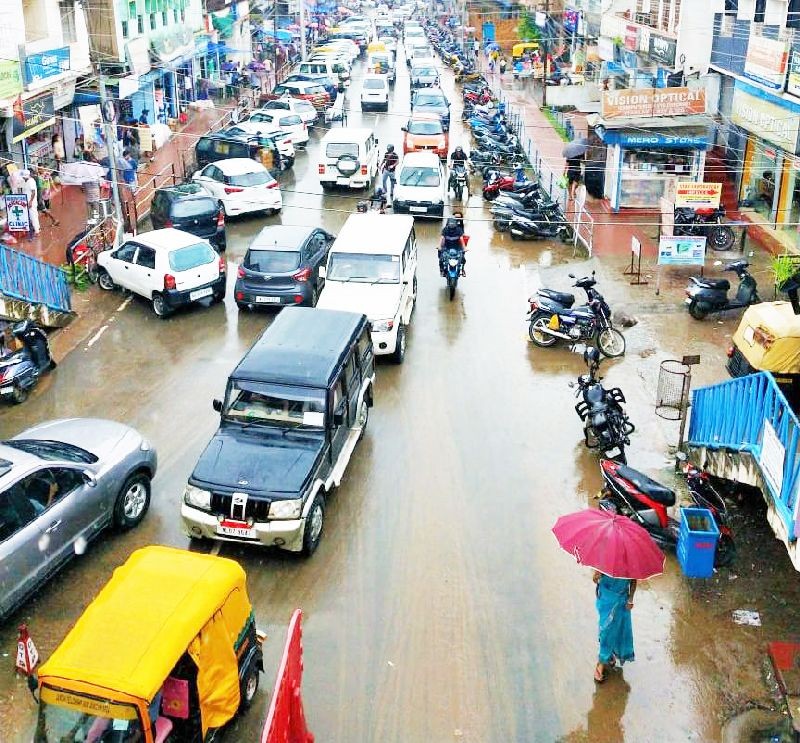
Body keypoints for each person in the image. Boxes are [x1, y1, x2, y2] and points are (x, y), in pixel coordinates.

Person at [593, 570, 636, 682]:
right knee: (606, 630)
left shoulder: (630, 561)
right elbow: (598, 573)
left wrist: (631, 599)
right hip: (606, 597)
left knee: (617, 629)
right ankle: (602, 660)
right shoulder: (607, 554)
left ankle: (606, 657)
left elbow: (633, 580)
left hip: (621, 600)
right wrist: (596, 576)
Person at [20, 170, 39, 237]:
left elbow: (33, 192)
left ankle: (36, 231)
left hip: (31, 202)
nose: (23, 178)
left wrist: (30, 201)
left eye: (23, 177)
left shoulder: (31, 181)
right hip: (28, 201)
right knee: (33, 216)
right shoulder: (27, 181)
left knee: (33, 216)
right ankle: (36, 229)